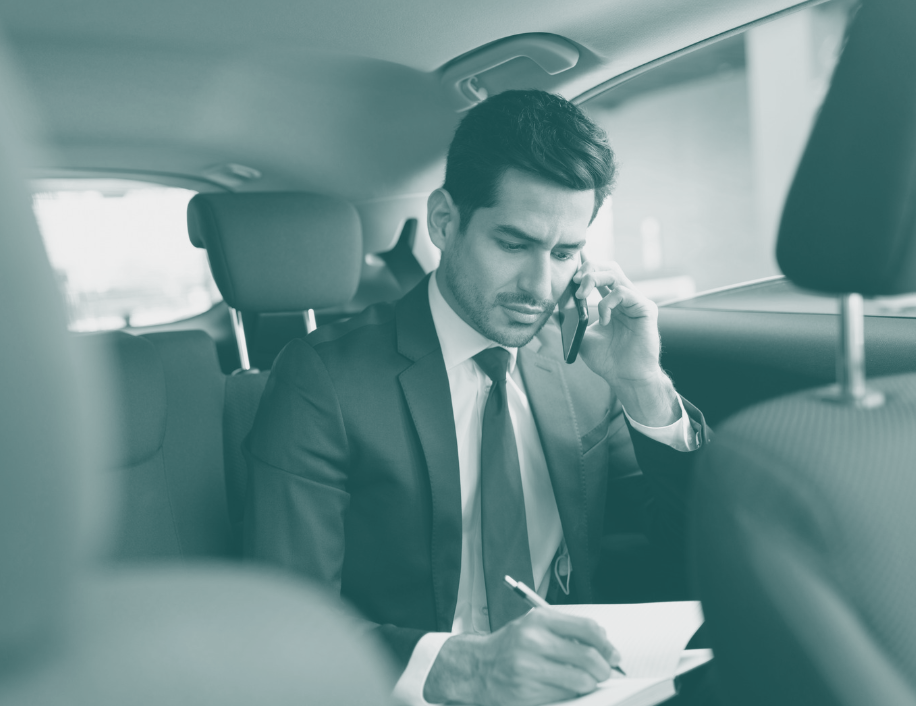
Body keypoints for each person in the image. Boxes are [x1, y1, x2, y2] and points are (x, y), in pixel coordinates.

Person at [243, 89, 709, 706]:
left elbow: (697, 547)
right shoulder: (322, 379)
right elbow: (288, 619)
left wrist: (642, 385)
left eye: (565, 253)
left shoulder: (585, 364)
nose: (540, 287)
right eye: (513, 245)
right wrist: (468, 670)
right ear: (444, 222)